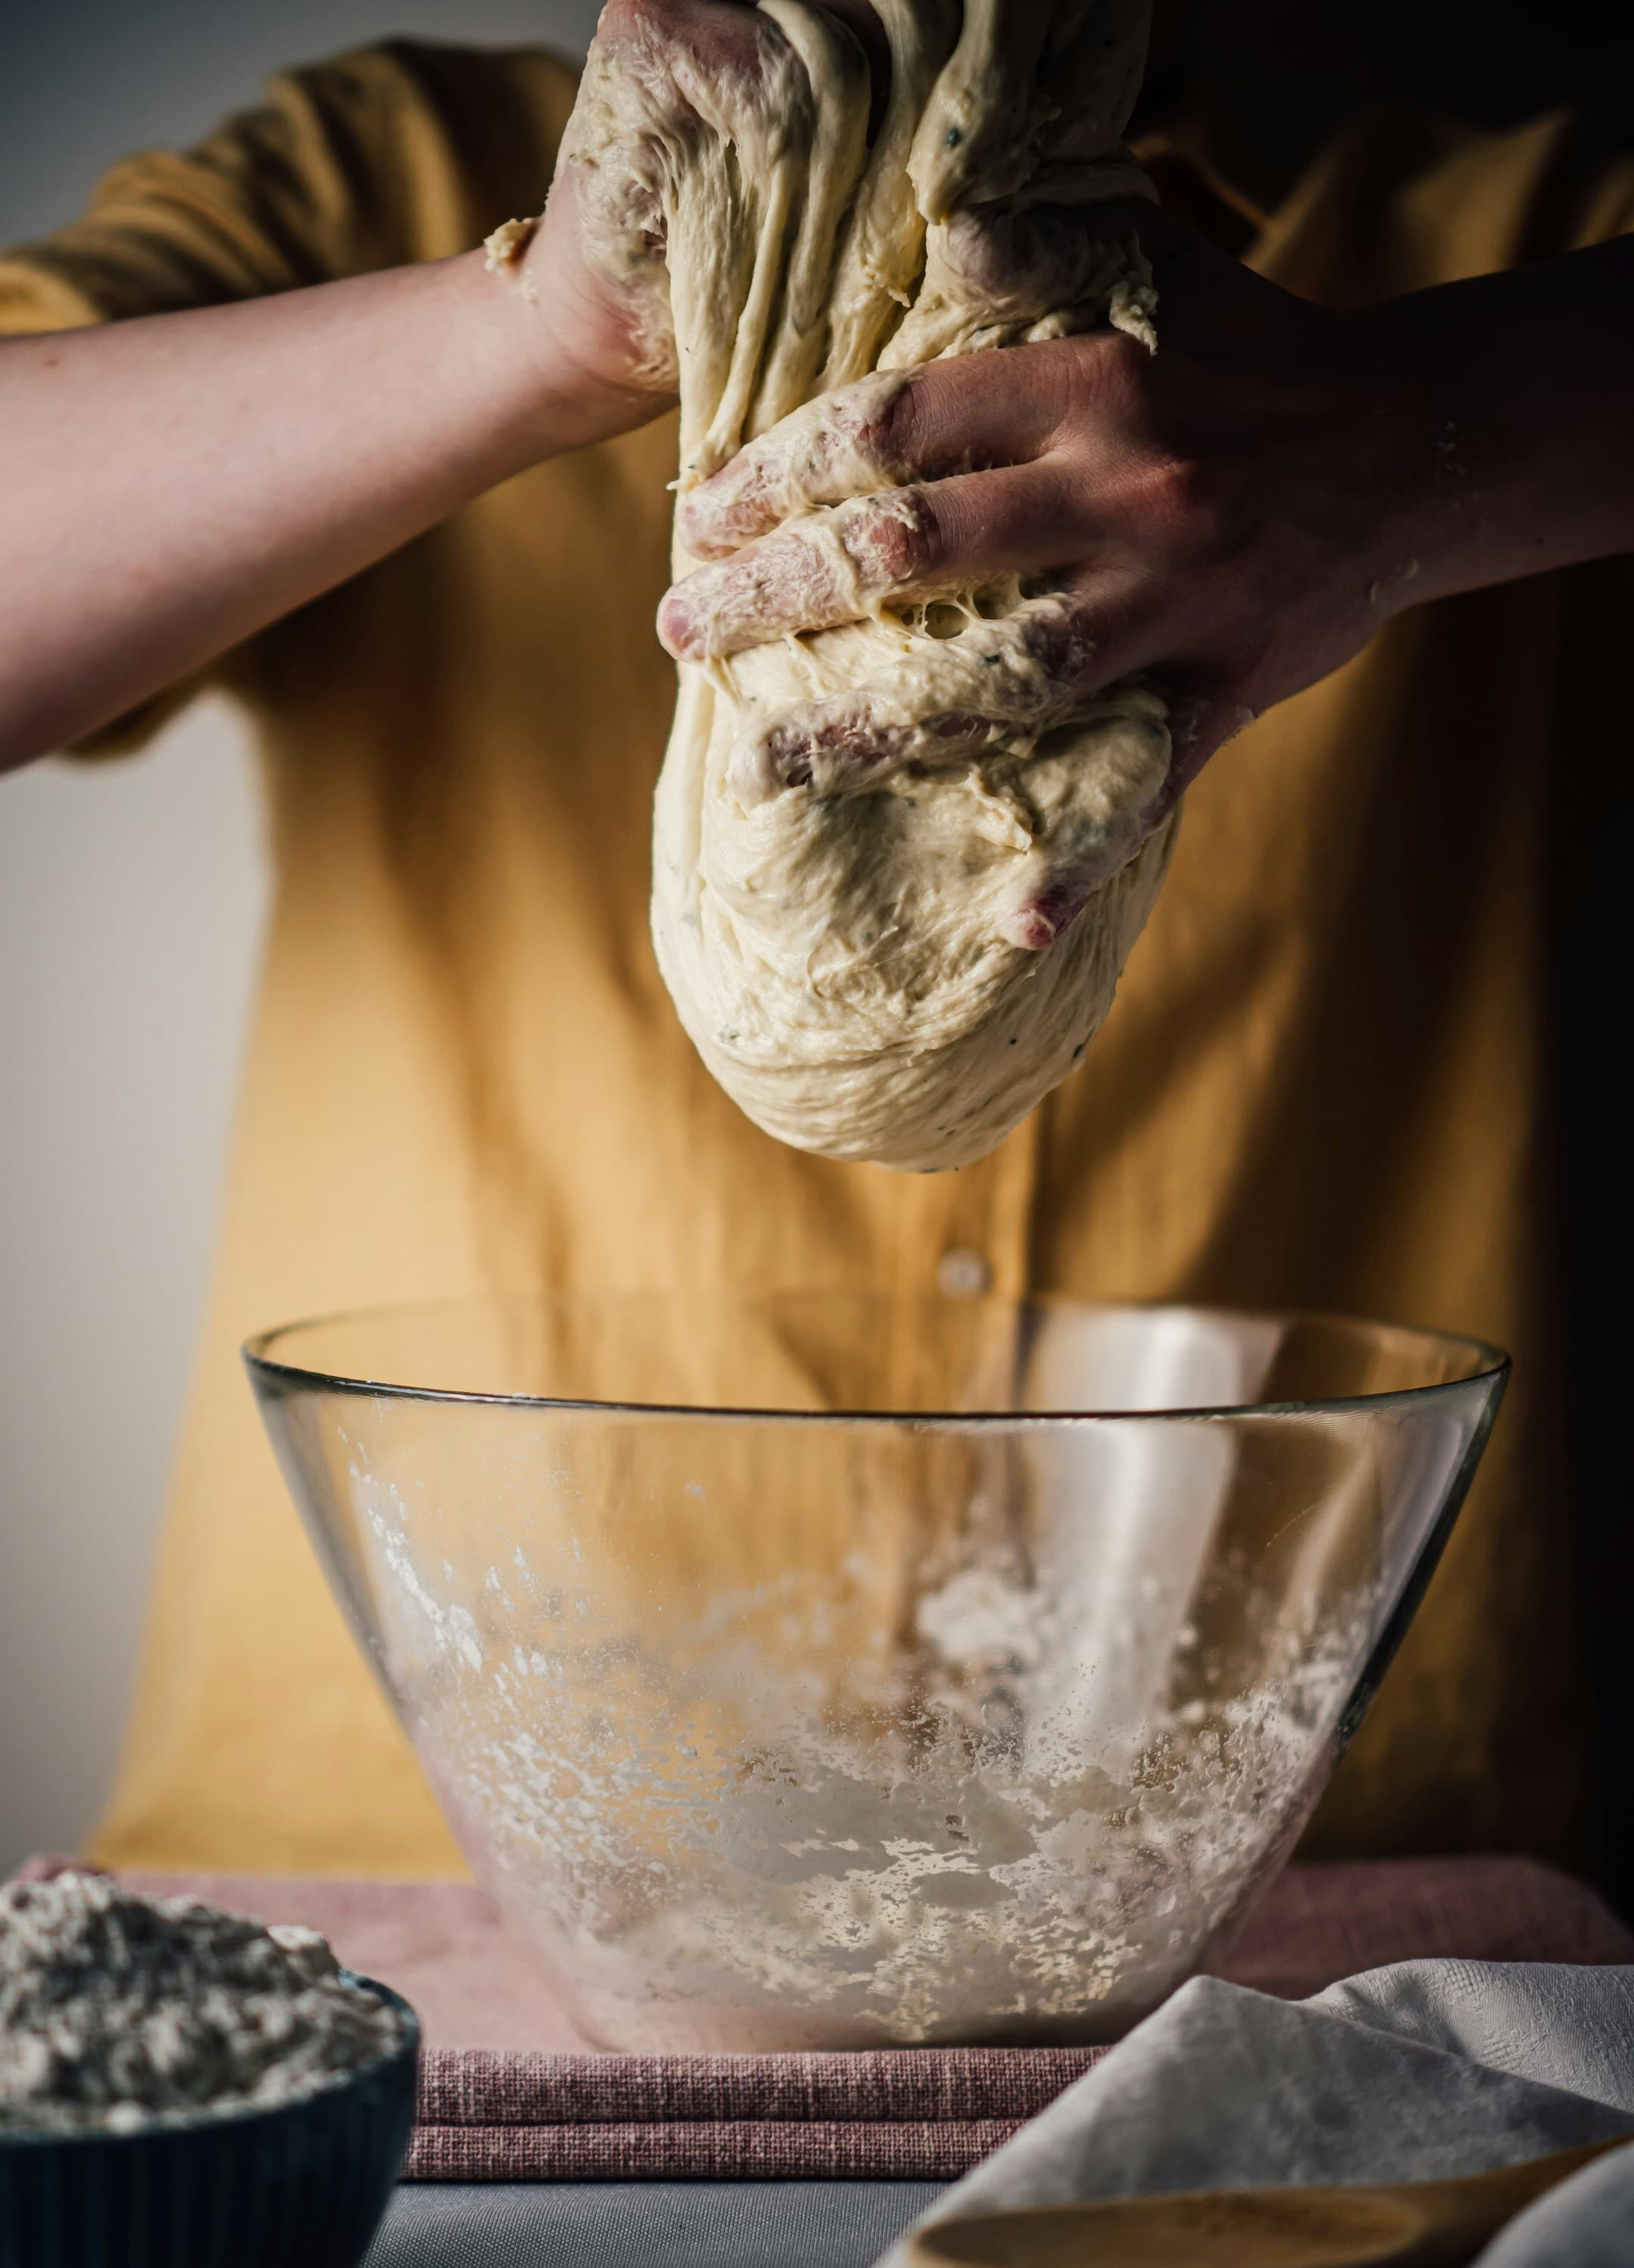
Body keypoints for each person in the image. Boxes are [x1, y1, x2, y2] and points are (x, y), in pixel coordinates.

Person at [3, 2, 1630, 1879]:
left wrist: (1429, 442)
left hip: (1299, 1901)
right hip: (410, 1892)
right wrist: (534, 337)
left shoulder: (1516, 247)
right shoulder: (389, 183)